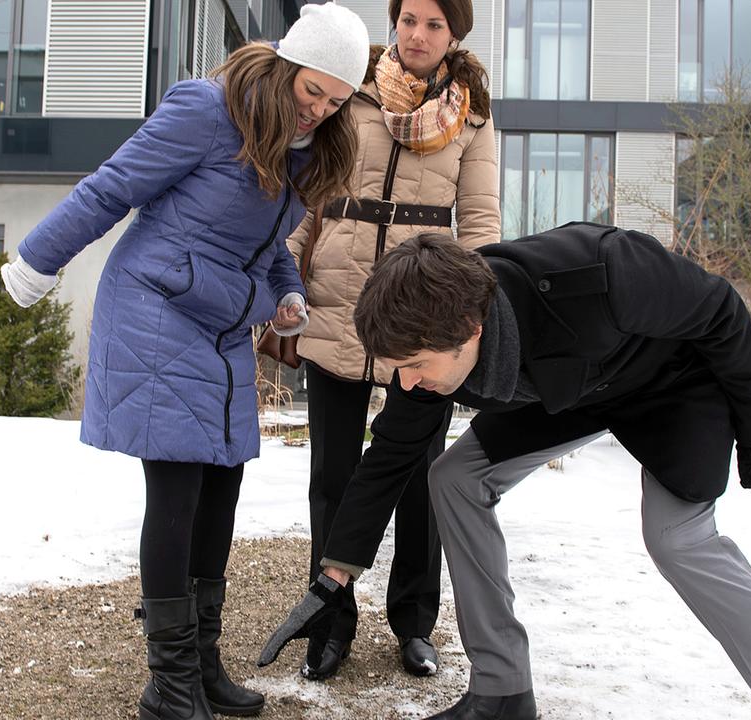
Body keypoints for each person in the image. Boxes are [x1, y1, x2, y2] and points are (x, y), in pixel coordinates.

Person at [262, 225, 751, 720]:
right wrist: (334, 573)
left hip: (673, 384)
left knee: (677, 539)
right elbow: (390, 453)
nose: (408, 382)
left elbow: (721, 308)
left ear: (472, 328)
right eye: (398, 370)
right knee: (453, 478)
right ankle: (502, 692)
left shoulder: (603, 274)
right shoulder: (428, 339)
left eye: (415, 367)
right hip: (571, 393)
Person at [0, 5, 369, 718]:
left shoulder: (306, 149)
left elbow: (268, 249)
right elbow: (114, 187)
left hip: (225, 319)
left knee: (222, 487)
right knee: (176, 489)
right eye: (311, 90)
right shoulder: (209, 109)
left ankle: (200, 666)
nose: (317, 110)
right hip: (157, 311)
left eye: (335, 100)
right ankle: (169, 687)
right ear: (288, 64)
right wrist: (38, 262)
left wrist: (288, 295)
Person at [282, 0, 499, 681]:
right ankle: (331, 621)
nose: (418, 35)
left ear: (454, 34)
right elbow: (310, 191)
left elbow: (482, 217)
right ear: (395, 21)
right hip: (338, 298)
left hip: (423, 314)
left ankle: (413, 622)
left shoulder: (474, 114)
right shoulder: (355, 93)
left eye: (435, 24)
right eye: (409, 19)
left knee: (418, 476)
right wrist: (284, 265)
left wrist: (479, 315)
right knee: (333, 475)